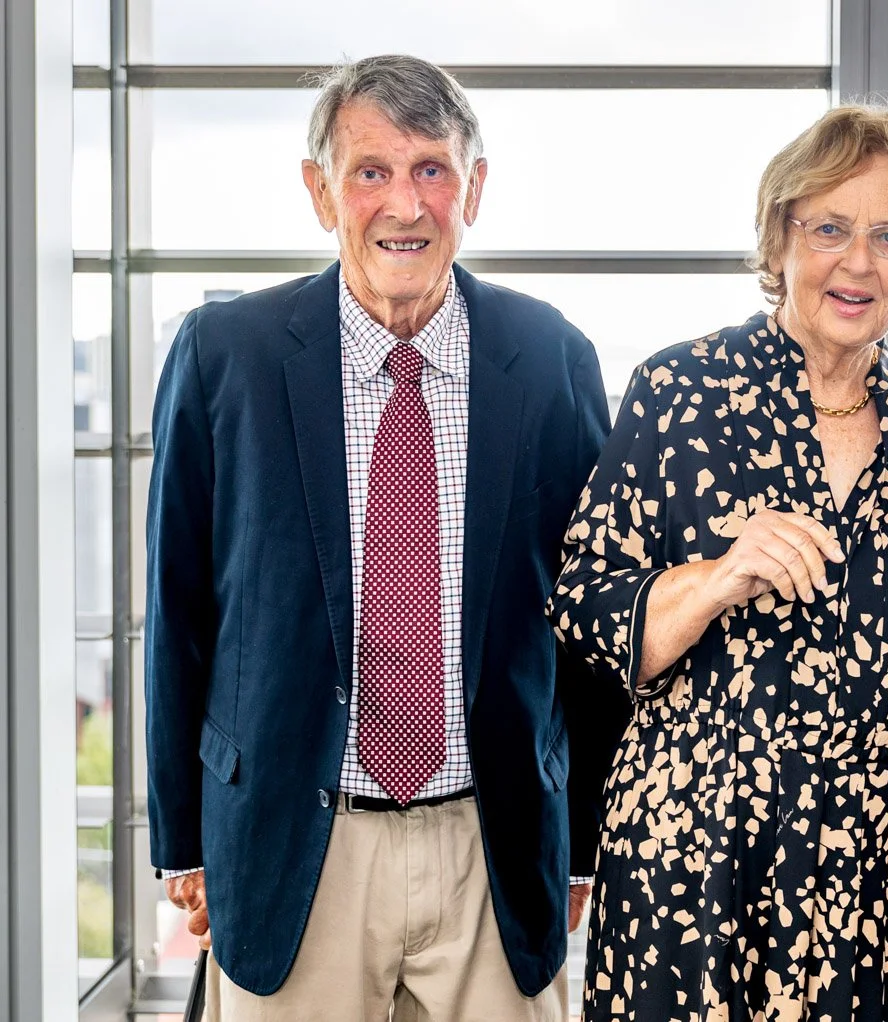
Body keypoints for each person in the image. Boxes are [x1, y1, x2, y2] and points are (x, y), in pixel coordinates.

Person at [145, 54, 625, 1020]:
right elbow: (178, 609)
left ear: (473, 189)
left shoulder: (551, 358)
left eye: (431, 170)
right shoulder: (224, 356)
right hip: (292, 843)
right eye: (371, 171)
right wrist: (184, 840)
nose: (404, 206)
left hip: (492, 847)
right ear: (321, 191)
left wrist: (585, 842)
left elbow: (588, 620)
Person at [548, 105, 888, 1021]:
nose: (859, 263)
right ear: (780, 236)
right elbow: (583, 606)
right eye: (829, 229)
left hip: (885, 868)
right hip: (695, 858)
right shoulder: (679, 391)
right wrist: (714, 579)